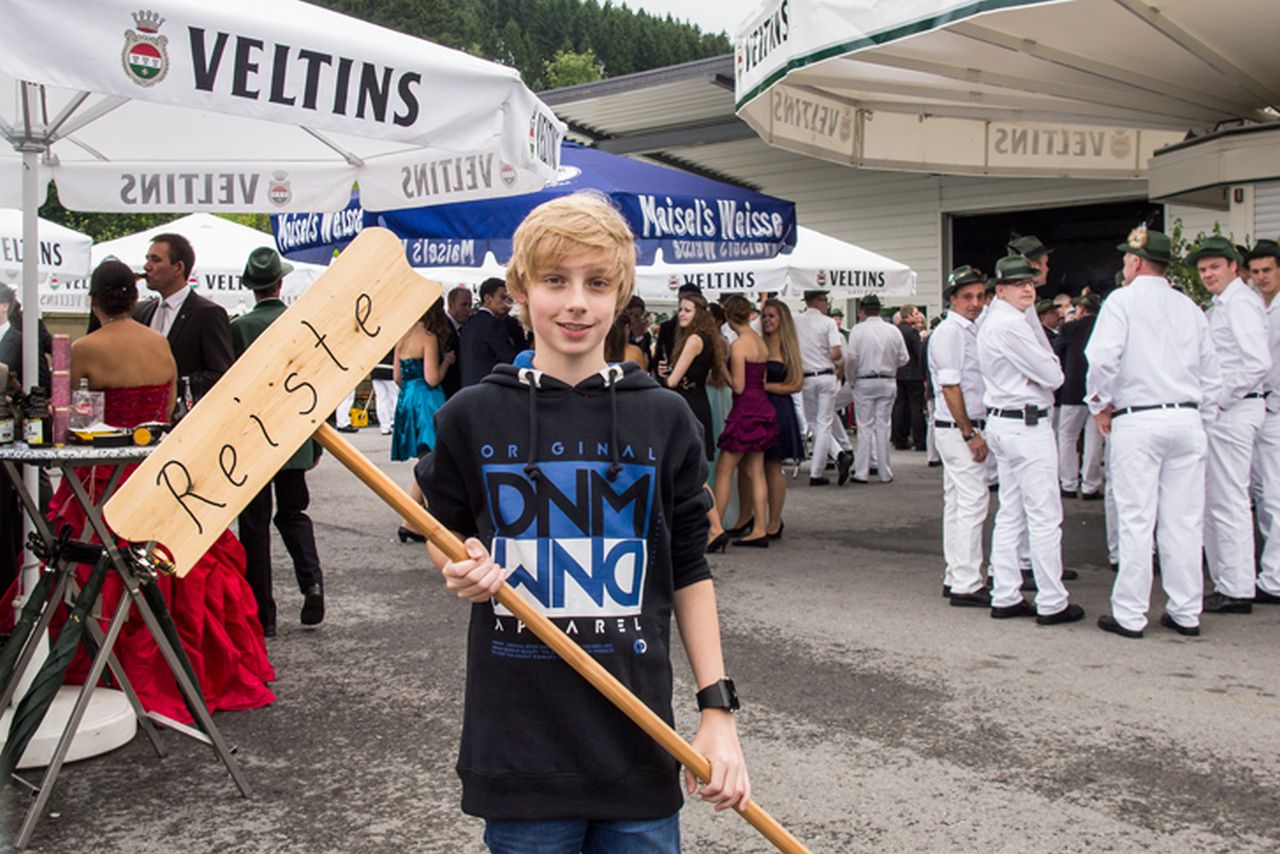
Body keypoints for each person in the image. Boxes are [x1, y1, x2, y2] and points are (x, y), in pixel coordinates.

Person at [417, 192, 749, 849]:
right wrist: (457, 564)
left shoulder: (664, 418)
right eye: (554, 281)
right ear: (520, 289)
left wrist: (717, 711)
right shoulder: (471, 416)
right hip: (519, 754)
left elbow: (688, 569)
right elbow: (444, 532)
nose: (576, 302)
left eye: (597, 283)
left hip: (638, 747)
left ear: (620, 293)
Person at [30, 259, 275, 721]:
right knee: (184, 569)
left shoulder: (80, 348)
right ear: (133, 296)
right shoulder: (159, 342)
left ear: (94, 301)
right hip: (158, 473)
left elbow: (67, 425)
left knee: (90, 565)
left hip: (103, 480)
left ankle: (103, 663)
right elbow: (165, 411)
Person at [1087, 227, 1222, 638]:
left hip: (1139, 418)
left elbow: (1103, 358)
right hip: (1186, 417)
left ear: (1135, 262)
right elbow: (1211, 373)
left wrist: (1099, 403)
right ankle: (1186, 611)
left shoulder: (1122, 300)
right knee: (1184, 521)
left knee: (1136, 519)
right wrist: (1202, 417)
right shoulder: (1190, 308)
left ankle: (1131, 613)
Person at [977, 255, 1082, 625]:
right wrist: (1044, 372)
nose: (1027, 289)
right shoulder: (1010, 324)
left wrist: (1042, 372)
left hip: (1007, 422)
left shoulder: (997, 320)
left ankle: (1006, 593)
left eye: (1030, 283)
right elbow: (1054, 376)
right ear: (1000, 290)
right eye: (1018, 284)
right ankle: (1052, 600)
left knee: (1012, 512)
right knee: (1043, 516)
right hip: (1025, 425)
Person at [230, 248, 325, 637]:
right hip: (294, 432)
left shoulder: (238, 328)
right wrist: (316, 443)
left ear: (251, 287)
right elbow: (317, 382)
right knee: (293, 513)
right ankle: (312, 583)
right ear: (280, 283)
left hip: (253, 437)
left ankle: (262, 614)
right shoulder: (299, 323)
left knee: (254, 527)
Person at [1185, 236, 1271, 613]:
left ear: (1234, 266)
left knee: (1229, 499)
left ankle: (1237, 588)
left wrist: (1217, 398)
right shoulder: (1224, 304)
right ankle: (1228, 581)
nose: (1208, 275)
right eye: (1203, 269)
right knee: (1219, 498)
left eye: (1215, 267)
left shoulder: (1240, 303)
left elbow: (1257, 363)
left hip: (1235, 410)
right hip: (1228, 409)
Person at [929, 266, 992, 608]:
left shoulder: (964, 330)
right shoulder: (951, 332)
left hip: (956, 427)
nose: (975, 303)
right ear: (952, 298)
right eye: (968, 296)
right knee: (972, 502)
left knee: (957, 502)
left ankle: (956, 575)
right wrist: (969, 433)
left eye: (980, 296)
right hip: (959, 428)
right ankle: (967, 581)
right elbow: (950, 386)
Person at [711, 295, 777, 549]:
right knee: (755, 471)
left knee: (724, 470)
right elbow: (761, 381)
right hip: (761, 407)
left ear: (729, 317)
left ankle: (715, 529)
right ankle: (759, 527)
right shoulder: (760, 342)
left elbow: (738, 386)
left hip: (745, 410)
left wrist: (722, 368)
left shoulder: (739, 346)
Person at [135, 232, 234, 402]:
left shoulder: (208, 314)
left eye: (155, 260)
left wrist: (178, 386)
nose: (147, 266)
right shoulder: (141, 311)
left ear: (178, 267)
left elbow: (221, 374)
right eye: (147, 259)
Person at [391, 300, 454, 543]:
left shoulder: (402, 337)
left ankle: (410, 522)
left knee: (425, 461)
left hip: (407, 397)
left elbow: (397, 377)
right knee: (432, 460)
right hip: (426, 400)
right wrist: (446, 361)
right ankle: (427, 522)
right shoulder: (428, 338)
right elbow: (432, 378)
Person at [845, 295, 909, 483]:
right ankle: (885, 471)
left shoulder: (858, 330)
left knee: (864, 427)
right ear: (879, 310)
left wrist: (851, 379)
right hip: (888, 380)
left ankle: (862, 471)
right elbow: (904, 358)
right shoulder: (893, 330)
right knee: (884, 425)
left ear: (861, 311)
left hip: (864, 380)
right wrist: (890, 365)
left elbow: (852, 359)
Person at [1248, 240, 1280, 605]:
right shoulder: (1257, 305)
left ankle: (1275, 578)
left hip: (1275, 407)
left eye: (1267, 270)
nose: (1261, 277)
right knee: (1262, 493)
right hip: (1261, 408)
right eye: (1255, 272)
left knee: (1275, 496)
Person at [661, 293, 728, 463]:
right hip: (698, 400)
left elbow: (672, 382)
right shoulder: (706, 337)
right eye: (680, 310)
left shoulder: (694, 339)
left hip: (687, 404)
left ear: (698, 314)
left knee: (684, 464)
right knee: (694, 466)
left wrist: (663, 378)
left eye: (687, 310)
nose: (681, 314)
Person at [760, 298, 805, 539]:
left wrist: (766, 386)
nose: (766, 320)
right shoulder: (757, 343)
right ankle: (756, 517)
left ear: (782, 320)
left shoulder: (788, 348)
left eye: (771, 316)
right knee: (754, 465)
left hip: (779, 409)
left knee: (773, 465)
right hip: (757, 408)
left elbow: (796, 384)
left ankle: (775, 520)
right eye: (764, 315)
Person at [795, 289, 847, 486]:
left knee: (813, 421)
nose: (827, 304)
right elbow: (837, 352)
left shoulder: (796, 321)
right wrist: (834, 361)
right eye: (825, 300)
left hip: (806, 376)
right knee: (824, 422)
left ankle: (837, 456)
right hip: (826, 375)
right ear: (817, 301)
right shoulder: (828, 323)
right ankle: (820, 469)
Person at [1054, 292, 1103, 499]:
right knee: (1094, 437)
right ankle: (1090, 485)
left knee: (1067, 436)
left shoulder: (1069, 328)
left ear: (1081, 309)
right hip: (1097, 389)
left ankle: (1068, 483)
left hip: (1072, 388)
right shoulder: (1103, 328)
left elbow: (1057, 354)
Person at [459, 277, 519, 387]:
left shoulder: (468, 323)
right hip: (489, 387)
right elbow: (509, 359)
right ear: (487, 298)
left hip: (467, 386)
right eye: (502, 297)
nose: (506, 302)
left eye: (509, 299)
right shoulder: (493, 324)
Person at [891, 304, 926, 451]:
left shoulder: (896, 331)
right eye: (916, 313)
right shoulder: (912, 332)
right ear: (909, 315)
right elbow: (919, 353)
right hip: (913, 374)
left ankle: (899, 438)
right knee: (916, 407)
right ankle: (920, 440)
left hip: (899, 373)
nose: (918, 316)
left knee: (900, 406)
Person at [651, 283, 701, 377]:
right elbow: (659, 357)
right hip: (672, 376)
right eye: (681, 300)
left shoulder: (706, 328)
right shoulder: (667, 327)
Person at [442, 285, 472, 398]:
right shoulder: (443, 328)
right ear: (451, 304)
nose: (468, 310)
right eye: (463, 305)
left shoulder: (467, 328)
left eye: (470, 305)